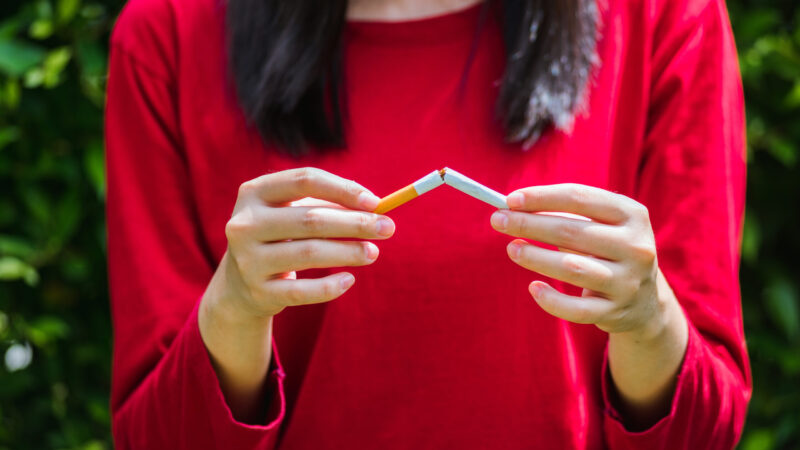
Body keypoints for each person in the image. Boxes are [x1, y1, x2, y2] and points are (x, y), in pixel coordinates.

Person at [104, 0, 750, 448]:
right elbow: (160, 437)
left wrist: (647, 319)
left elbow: (703, 431)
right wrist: (235, 311)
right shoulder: (169, 31)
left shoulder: (665, 17)